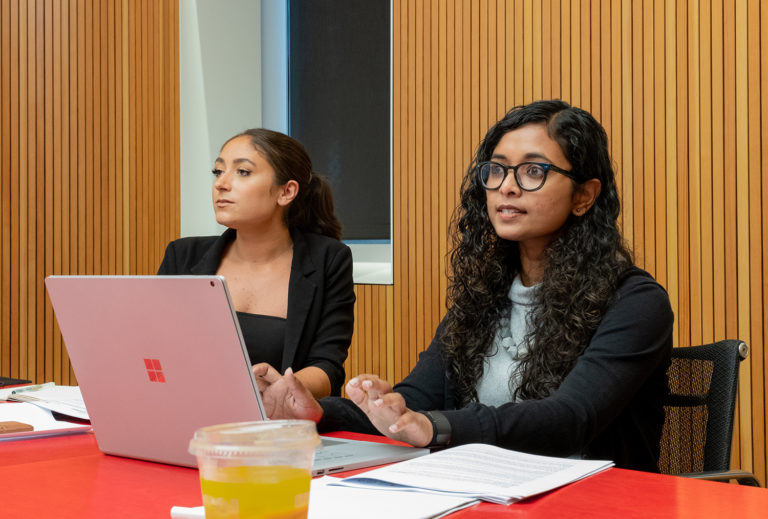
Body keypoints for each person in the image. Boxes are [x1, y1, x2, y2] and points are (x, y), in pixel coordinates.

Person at [259, 100, 673, 472]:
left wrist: (434, 426)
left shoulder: (634, 301)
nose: (506, 186)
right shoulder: (485, 295)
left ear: (584, 196)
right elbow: (414, 399)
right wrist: (320, 412)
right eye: (496, 170)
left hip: (593, 500)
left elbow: (569, 419)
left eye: (533, 171)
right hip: (482, 490)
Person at [157, 129, 355, 398]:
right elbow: (153, 349)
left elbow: (328, 367)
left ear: (286, 192)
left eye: (243, 172)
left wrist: (279, 390)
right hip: (187, 414)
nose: (221, 184)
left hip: (280, 426)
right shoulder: (183, 255)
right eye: (218, 171)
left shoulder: (328, 260)